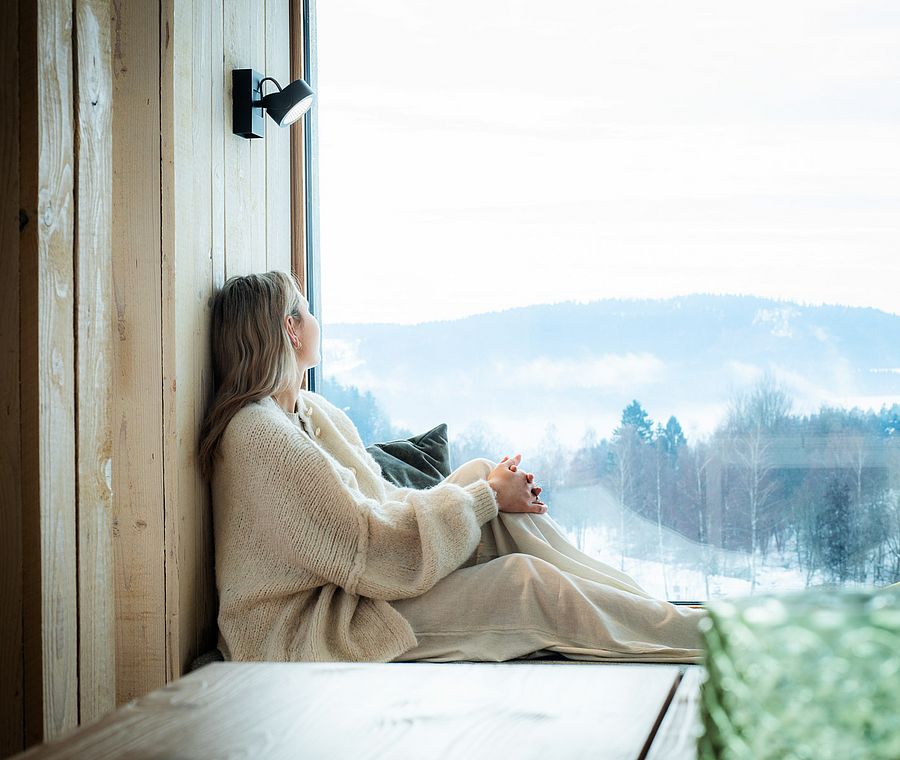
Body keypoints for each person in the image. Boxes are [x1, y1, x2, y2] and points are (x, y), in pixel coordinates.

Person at [199, 270, 705, 664]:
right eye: (306, 310)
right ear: (290, 329)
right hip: (309, 627)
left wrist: (485, 488)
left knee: (483, 472)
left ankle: (648, 610)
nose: (315, 320)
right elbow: (372, 552)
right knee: (523, 584)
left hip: (352, 583)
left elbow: (382, 501)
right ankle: (710, 642)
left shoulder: (309, 412)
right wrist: (485, 498)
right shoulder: (258, 436)